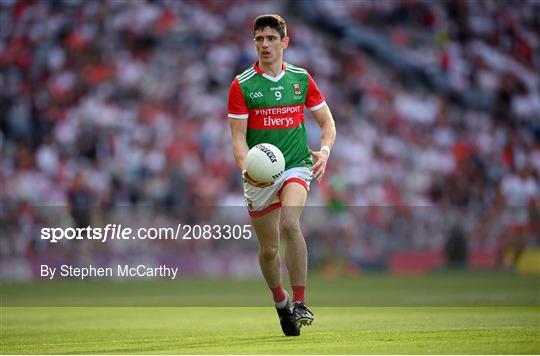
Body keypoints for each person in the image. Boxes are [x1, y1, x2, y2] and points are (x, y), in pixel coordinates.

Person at [227, 14, 336, 337]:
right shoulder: (242, 84)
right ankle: (281, 301)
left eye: (271, 39)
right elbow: (237, 138)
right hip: (258, 174)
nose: (264, 45)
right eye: (259, 39)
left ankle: (301, 301)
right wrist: (247, 169)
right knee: (270, 249)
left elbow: (327, 123)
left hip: (296, 165)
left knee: (290, 223)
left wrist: (325, 151)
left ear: (284, 43)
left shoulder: (301, 79)